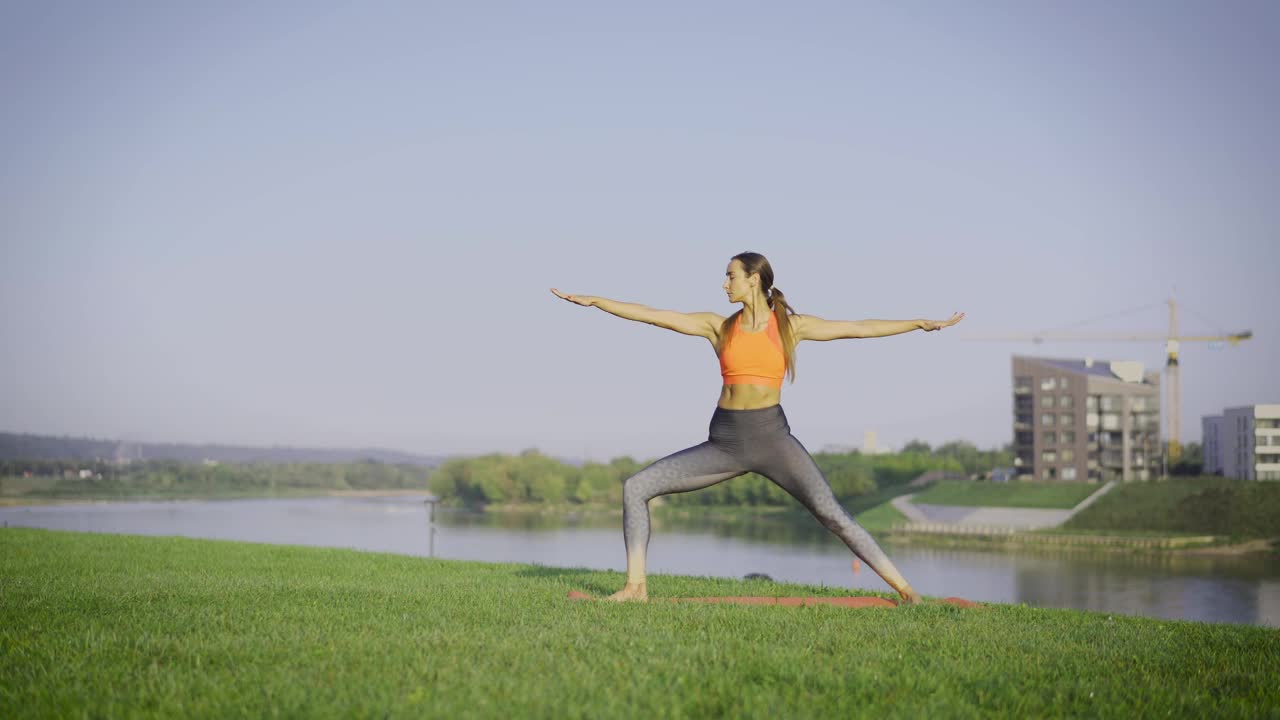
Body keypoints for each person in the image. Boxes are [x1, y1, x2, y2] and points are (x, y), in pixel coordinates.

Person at [551, 251, 963, 603]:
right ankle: (635, 587)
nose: (724, 283)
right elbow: (655, 316)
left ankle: (907, 591)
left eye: (730, 275)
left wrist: (917, 323)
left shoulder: (790, 326)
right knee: (635, 488)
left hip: (772, 440)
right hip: (724, 442)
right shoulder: (719, 326)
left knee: (833, 515)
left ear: (753, 279)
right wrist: (596, 301)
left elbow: (859, 328)